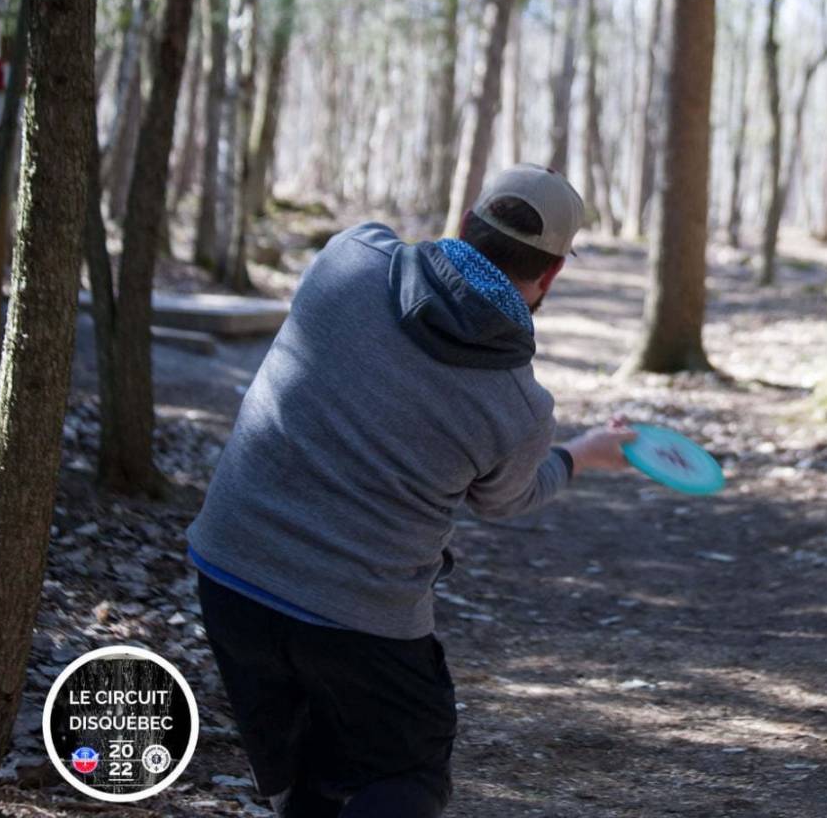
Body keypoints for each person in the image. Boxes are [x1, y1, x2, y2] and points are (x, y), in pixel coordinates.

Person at [185, 164, 637, 818]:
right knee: (406, 772)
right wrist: (580, 457)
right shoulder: (519, 405)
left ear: (463, 224)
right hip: (359, 615)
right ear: (553, 274)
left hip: (227, 570)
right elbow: (505, 499)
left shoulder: (349, 254)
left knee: (311, 778)